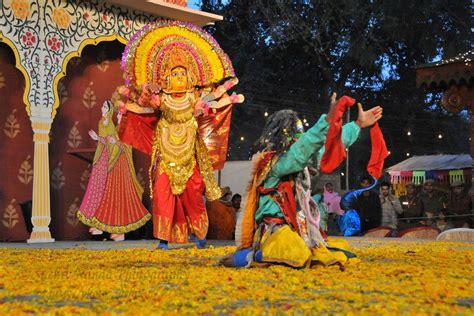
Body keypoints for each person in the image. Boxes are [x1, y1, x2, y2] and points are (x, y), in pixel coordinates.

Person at [115, 22, 244, 249]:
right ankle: (164, 239)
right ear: (166, 78)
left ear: (190, 76)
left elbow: (214, 99)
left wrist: (229, 96)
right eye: (174, 74)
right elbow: (142, 107)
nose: (179, 78)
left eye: (183, 74)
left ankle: (200, 237)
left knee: (193, 196)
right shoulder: (160, 99)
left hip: (189, 157)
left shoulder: (195, 98)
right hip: (165, 155)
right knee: (163, 196)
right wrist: (126, 103)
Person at [220, 94, 383, 268]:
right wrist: (328, 120)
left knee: (337, 250)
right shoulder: (274, 164)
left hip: (298, 229)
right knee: (294, 251)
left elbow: (326, 149)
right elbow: (302, 150)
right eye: (296, 135)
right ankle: (249, 257)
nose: (300, 139)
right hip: (275, 231)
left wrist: (356, 126)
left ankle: (268, 254)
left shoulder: (299, 164)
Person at [77, 101, 151, 241]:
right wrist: (99, 139)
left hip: (122, 168)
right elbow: (109, 144)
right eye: (118, 114)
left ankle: (121, 231)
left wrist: (115, 142)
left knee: (122, 198)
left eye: (121, 115)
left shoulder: (127, 131)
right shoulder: (116, 129)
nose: (118, 117)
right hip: (113, 166)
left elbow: (126, 148)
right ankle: (111, 229)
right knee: (111, 198)